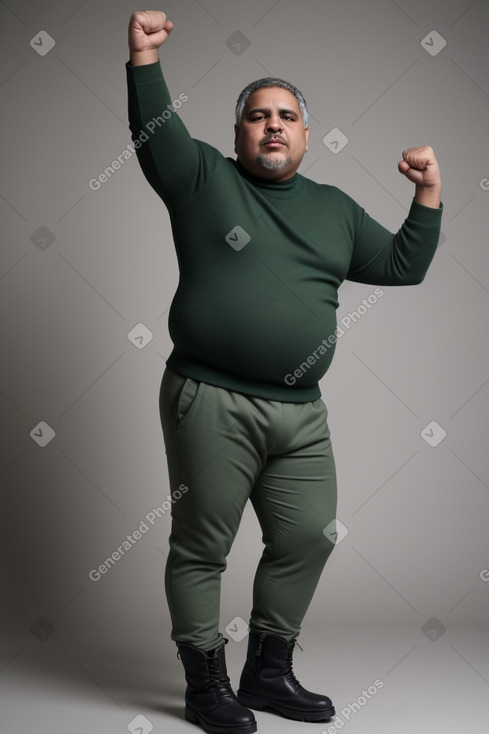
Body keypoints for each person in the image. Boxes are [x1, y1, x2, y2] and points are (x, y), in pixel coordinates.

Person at [126, 10, 443, 734]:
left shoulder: (333, 209)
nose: (272, 125)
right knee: (202, 546)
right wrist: (143, 57)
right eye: (258, 116)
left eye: (286, 116)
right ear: (238, 133)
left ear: (305, 134)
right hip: (210, 398)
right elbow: (153, 135)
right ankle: (205, 686)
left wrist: (426, 192)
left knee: (308, 536)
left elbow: (402, 265)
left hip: (301, 412)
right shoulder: (203, 177)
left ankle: (267, 674)